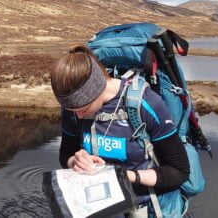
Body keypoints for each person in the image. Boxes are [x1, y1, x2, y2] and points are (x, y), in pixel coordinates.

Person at [52, 45, 190, 217]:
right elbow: (65, 154)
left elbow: (179, 172)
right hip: (98, 206)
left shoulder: (146, 104)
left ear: (98, 87)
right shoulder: (72, 110)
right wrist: (75, 161)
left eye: (84, 108)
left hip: (146, 209)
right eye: (73, 110)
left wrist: (125, 176)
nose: (78, 116)